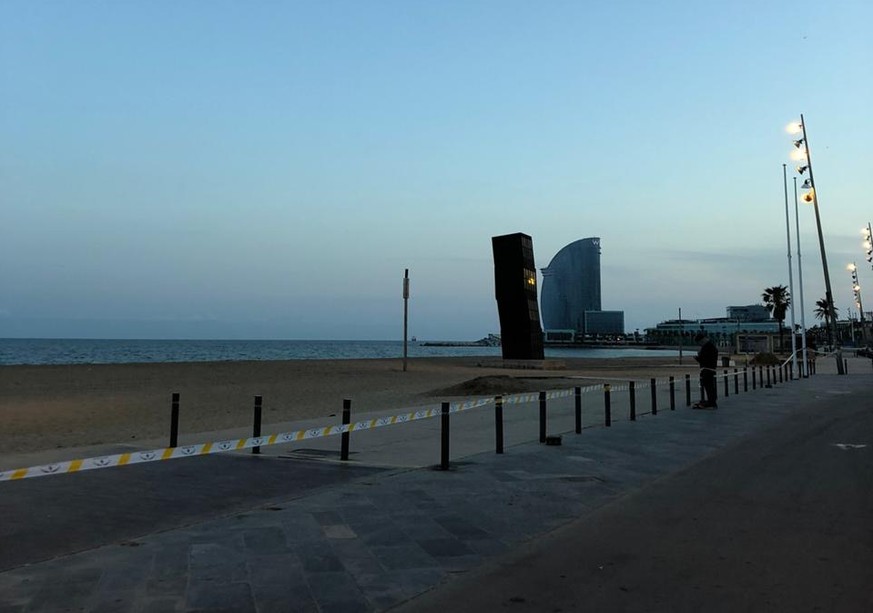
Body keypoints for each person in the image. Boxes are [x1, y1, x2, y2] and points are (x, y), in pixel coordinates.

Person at [692, 331, 718, 409]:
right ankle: (712, 401)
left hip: (707, 369)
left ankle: (711, 402)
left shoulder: (707, 347)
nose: (699, 345)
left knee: (708, 386)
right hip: (710, 368)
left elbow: (704, 359)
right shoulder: (711, 346)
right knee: (710, 386)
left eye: (699, 343)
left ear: (701, 340)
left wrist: (698, 357)